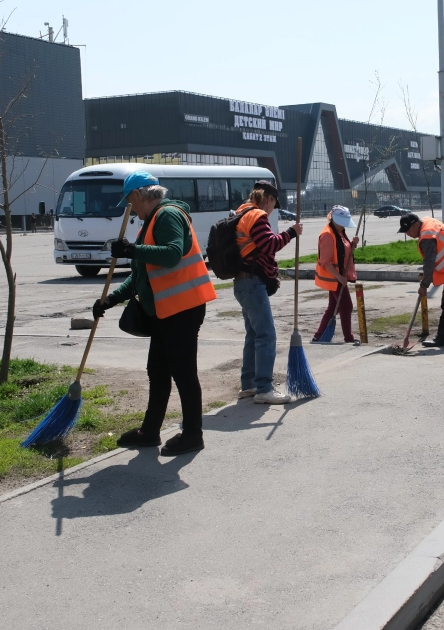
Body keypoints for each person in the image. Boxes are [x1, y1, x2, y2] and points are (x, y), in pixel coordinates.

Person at [91, 171, 217, 456]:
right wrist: (110, 299)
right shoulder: (151, 221)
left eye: (130, 201)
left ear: (138, 195)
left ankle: (193, 435)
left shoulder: (167, 215)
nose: (130, 208)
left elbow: (172, 253)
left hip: (183, 309)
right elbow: (141, 274)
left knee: (183, 373)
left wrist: (133, 249)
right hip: (166, 310)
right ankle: (149, 432)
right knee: (158, 371)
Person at [233, 180, 302, 404]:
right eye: (274, 204)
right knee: (266, 335)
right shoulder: (257, 216)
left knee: (253, 334)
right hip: (252, 283)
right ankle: (264, 388)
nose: (272, 209)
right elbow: (269, 244)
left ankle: (249, 384)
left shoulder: (241, 212)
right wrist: (292, 232)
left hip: (244, 282)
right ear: (269, 199)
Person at [399, 212, 444, 347]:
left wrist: (424, 285)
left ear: (416, 224)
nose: (407, 234)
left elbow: (429, 262)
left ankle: (442, 337)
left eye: (408, 230)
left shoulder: (427, 236)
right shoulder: (427, 222)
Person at [312, 205, 359, 344]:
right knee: (346, 306)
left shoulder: (340, 231)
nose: (344, 226)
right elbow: (325, 261)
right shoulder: (327, 235)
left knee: (333, 307)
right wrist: (340, 278)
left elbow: (342, 251)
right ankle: (348, 338)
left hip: (338, 277)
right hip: (333, 278)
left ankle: (319, 336)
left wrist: (352, 245)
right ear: (335, 219)